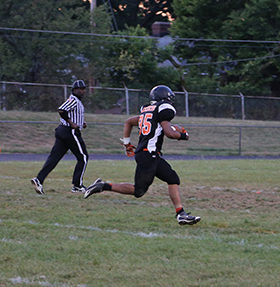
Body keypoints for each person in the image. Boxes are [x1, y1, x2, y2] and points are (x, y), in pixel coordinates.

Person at [84, 85, 200, 225]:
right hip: (148, 154)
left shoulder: (147, 110)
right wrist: (183, 135)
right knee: (138, 191)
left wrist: (127, 143)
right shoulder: (164, 109)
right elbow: (169, 133)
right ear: (165, 97)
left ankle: (181, 214)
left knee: (172, 178)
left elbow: (129, 122)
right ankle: (103, 185)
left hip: (150, 154)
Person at [31, 80, 89, 194]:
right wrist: (72, 123)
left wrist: (81, 122)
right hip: (70, 132)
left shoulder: (76, 101)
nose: (82, 91)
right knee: (83, 157)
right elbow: (61, 110)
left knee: (54, 158)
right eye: (79, 89)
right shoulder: (73, 100)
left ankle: (39, 180)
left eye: (83, 89)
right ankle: (77, 186)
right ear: (74, 90)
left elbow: (71, 114)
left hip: (63, 131)